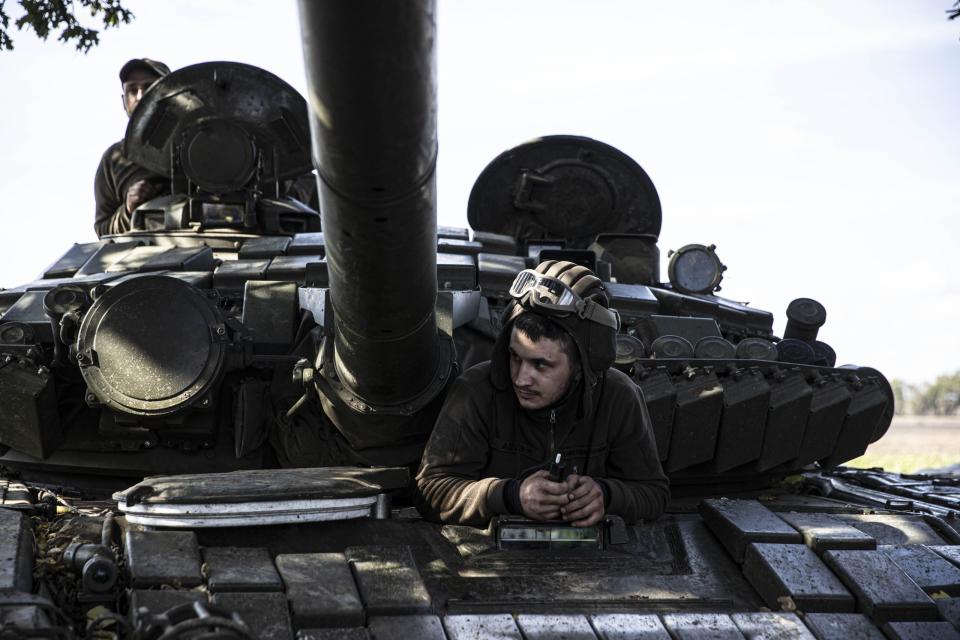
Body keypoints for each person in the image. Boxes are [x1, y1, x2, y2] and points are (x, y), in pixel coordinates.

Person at [416, 260, 669, 528]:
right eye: (515, 357)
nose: (521, 378)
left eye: (541, 364)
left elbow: (654, 493)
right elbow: (431, 490)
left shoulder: (618, 396)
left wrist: (606, 496)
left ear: (581, 367)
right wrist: (511, 495)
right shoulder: (476, 391)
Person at [94, 58, 171, 237]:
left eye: (149, 87)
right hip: (144, 256)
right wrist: (129, 209)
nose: (140, 96)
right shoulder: (114, 160)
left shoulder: (198, 145)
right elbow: (103, 230)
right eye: (132, 90)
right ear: (123, 101)